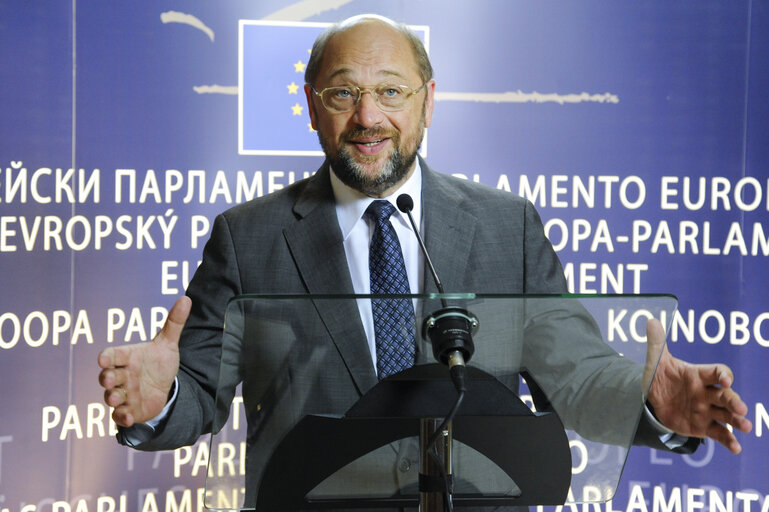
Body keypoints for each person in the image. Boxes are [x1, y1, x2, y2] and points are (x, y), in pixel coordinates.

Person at [97, 12, 752, 504]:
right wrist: (160, 399)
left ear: (428, 102)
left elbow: (575, 377)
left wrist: (648, 401)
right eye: (342, 93)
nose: (367, 116)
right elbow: (201, 394)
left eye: (391, 92)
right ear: (310, 107)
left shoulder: (506, 229)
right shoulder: (248, 238)